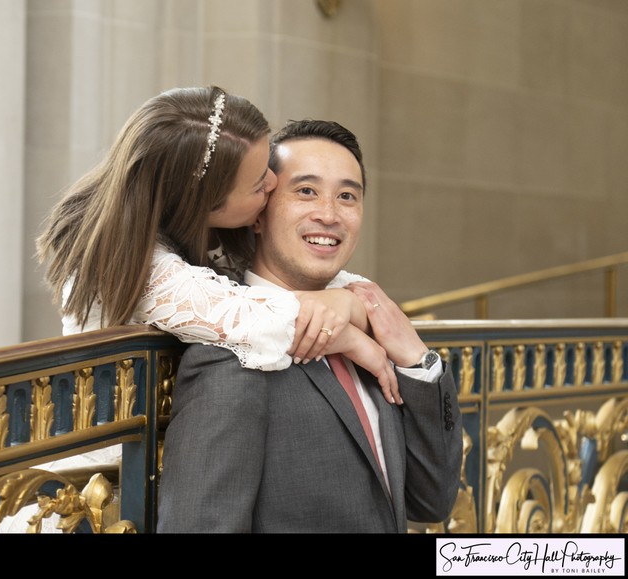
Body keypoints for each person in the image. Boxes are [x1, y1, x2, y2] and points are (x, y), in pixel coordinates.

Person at [156, 119, 463, 533]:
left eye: (347, 196)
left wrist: (415, 361)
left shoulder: (369, 327)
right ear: (259, 214)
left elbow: (431, 500)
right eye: (306, 191)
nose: (329, 214)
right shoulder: (231, 354)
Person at [35, 85, 399, 401]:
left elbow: (335, 292)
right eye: (259, 184)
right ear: (204, 202)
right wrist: (353, 335)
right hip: (109, 469)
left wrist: (349, 300)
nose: (274, 183)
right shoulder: (129, 261)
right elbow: (258, 323)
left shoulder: (208, 229)